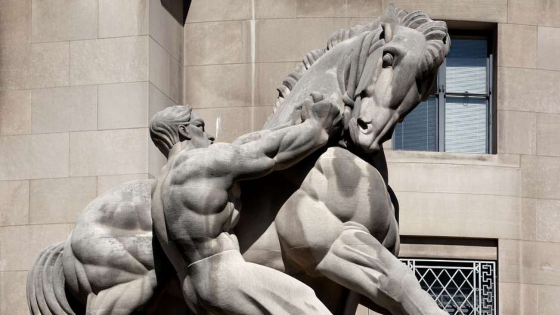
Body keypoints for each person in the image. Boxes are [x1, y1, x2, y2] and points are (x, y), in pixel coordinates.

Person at [150, 92, 342, 314]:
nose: (210, 135)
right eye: (200, 127)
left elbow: (242, 146)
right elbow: (270, 154)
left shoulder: (159, 184)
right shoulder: (199, 162)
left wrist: (290, 124)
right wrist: (318, 127)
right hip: (225, 277)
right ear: (184, 131)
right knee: (309, 306)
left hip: (192, 290)